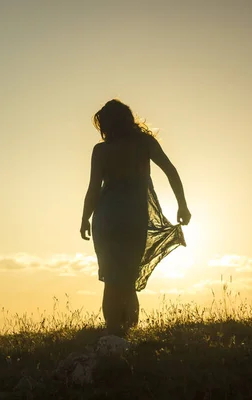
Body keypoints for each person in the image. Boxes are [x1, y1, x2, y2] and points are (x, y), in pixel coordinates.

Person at [80, 99, 191, 337]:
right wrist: (182, 206)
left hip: (107, 219)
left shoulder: (101, 150)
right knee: (128, 280)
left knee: (111, 280)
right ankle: (129, 335)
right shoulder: (144, 143)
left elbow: (93, 188)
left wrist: (84, 219)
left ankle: (112, 335)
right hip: (133, 218)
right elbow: (171, 170)